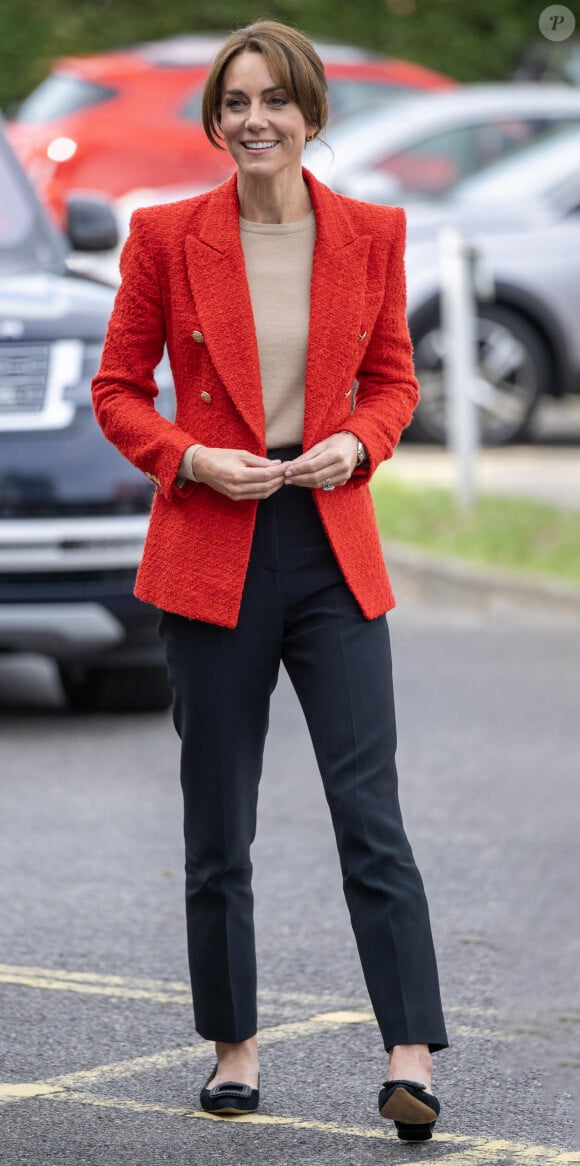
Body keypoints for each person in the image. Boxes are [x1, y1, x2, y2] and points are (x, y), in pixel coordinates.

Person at [91, 19, 448, 1139]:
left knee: (369, 814)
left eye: (273, 101)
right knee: (218, 824)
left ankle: (408, 1055)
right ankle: (233, 1047)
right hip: (211, 544)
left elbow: (393, 380)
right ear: (215, 118)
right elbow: (117, 389)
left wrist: (364, 440)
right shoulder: (163, 234)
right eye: (233, 102)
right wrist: (189, 457)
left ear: (311, 115)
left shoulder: (373, 233)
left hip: (330, 547)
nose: (253, 119)